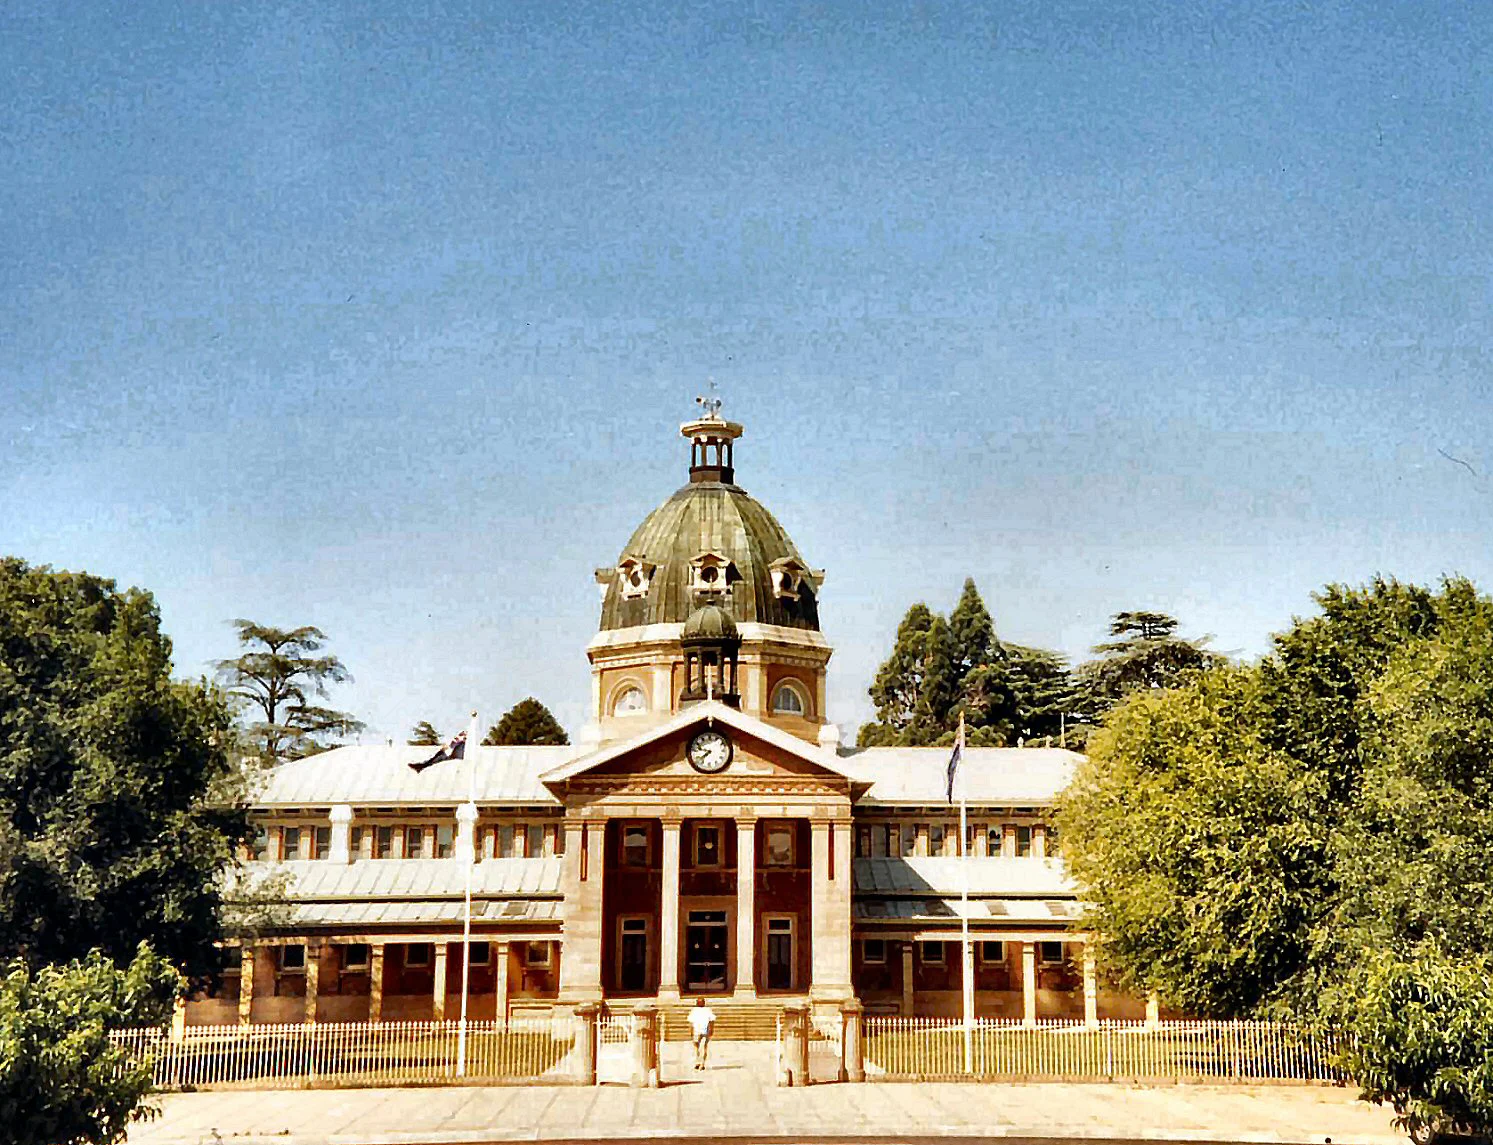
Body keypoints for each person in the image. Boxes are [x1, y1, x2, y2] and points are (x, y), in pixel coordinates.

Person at [687, 996, 717, 1070]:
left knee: (697, 1048)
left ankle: (699, 1062)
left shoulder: (694, 1011)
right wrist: (711, 1030)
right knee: (703, 1047)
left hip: (698, 1030)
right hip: (703, 1030)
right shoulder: (707, 1010)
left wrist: (690, 1030)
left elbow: (690, 1022)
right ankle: (701, 1063)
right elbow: (712, 1021)